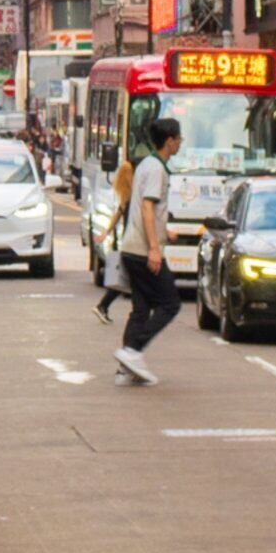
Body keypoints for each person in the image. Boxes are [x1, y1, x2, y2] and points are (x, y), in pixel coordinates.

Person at [113, 117, 186, 385]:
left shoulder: (145, 165)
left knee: (141, 308)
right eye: (179, 139)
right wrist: (155, 247)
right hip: (143, 251)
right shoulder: (157, 169)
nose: (180, 143)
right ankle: (133, 351)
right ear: (169, 141)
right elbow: (146, 207)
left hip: (132, 247)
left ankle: (125, 368)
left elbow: (146, 211)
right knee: (170, 303)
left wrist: (164, 233)